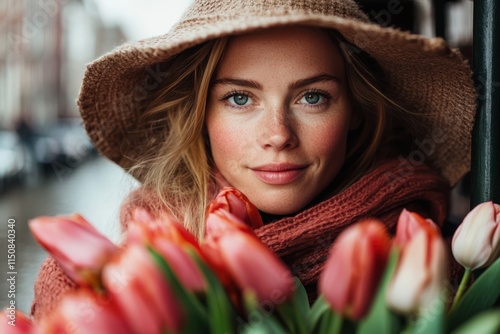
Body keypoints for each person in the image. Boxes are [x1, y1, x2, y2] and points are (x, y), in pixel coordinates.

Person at [31, 0, 476, 319]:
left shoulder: (434, 266)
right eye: (240, 98)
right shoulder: (105, 284)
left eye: (313, 97)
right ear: (200, 112)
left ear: (356, 111)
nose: (278, 135)